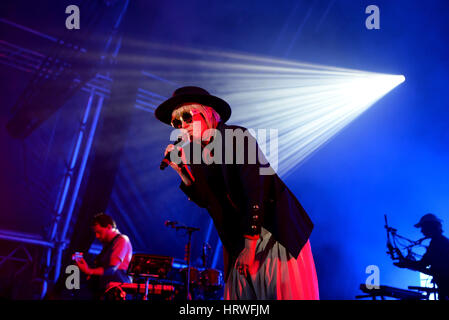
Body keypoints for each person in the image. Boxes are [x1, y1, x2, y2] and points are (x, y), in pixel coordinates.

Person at [155, 86, 319, 300]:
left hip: (271, 231)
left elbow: (255, 190)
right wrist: (181, 171)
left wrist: (250, 246)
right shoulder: (197, 155)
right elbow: (208, 201)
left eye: (187, 117)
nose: (183, 126)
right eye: (177, 123)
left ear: (208, 113)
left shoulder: (236, 136)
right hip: (238, 241)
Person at [74, 213, 133, 299]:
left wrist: (89, 271)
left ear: (109, 227)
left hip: (118, 293)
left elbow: (111, 269)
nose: (97, 236)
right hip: (108, 292)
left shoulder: (122, 240)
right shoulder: (108, 245)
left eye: (99, 232)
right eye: (95, 233)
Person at [394, 213, 449, 300]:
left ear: (431, 226)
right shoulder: (439, 241)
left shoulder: (438, 243)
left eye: (423, 227)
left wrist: (406, 264)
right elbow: (425, 264)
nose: (422, 231)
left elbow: (423, 264)